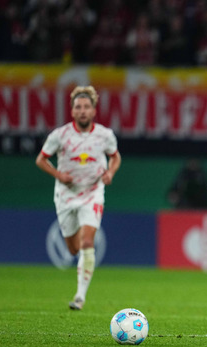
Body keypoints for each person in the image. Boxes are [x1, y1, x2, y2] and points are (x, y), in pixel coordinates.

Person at [36, 86, 121, 310]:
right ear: (72, 111)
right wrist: (58, 174)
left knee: (86, 242)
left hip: (92, 193)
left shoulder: (105, 135)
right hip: (65, 195)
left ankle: (80, 297)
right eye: (78, 107)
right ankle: (79, 282)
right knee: (73, 249)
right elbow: (41, 159)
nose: (82, 111)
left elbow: (115, 157)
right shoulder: (60, 135)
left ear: (93, 110)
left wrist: (110, 173)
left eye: (86, 107)